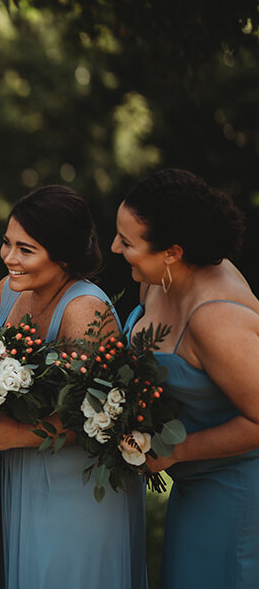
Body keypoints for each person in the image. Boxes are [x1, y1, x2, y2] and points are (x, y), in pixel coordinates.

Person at [0, 185, 146, 589]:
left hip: (76, 486)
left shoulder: (84, 310)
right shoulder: (7, 291)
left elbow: (96, 420)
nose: (10, 258)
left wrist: (12, 433)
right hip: (23, 471)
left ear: (63, 256)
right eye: (7, 243)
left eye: (25, 249)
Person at [112, 169, 259, 589]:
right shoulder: (158, 280)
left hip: (235, 492)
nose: (115, 248)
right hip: (193, 487)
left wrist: (176, 449)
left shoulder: (217, 318)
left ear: (173, 251)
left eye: (127, 242)